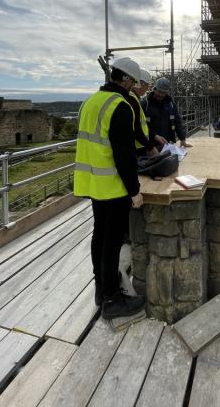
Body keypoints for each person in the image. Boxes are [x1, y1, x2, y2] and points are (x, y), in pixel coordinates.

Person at [74, 56, 145, 318]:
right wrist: (134, 191)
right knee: (111, 243)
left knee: (99, 236)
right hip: (113, 187)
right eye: (133, 83)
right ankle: (113, 300)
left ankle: (101, 288)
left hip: (92, 183)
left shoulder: (90, 101)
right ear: (125, 79)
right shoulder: (120, 106)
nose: (133, 88)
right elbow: (124, 155)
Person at [141, 77, 192, 149]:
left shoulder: (170, 104)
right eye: (159, 91)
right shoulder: (145, 104)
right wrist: (154, 136)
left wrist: (182, 139)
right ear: (154, 89)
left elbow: (177, 121)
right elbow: (141, 125)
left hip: (168, 144)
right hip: (151, 146)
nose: (161, 94)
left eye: (164, 93)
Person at [128, 68, 158, 156]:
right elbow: (136, 128)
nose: (148, 88)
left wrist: (154, 136)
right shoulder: (132, 99)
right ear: (141, 84)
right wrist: (151, 147)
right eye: (148, 85)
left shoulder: (134, 98)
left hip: (139, 147)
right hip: (135, 149)